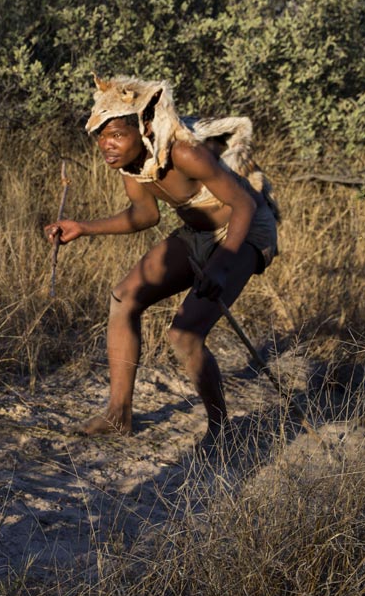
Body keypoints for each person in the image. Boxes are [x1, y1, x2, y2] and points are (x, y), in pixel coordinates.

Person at [45, 75, 278, 449]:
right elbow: (144, 215)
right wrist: (83, 228)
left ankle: (221, 431)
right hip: (198, 233)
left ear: (143, 127)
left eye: (117, 135)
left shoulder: (184, 153)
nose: (107, 145)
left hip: (245, 231)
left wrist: (222, 265)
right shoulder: (133, 164)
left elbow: (245, 205)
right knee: (124, 298)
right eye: (102, 137)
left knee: (184, 334)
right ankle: (118, 414)